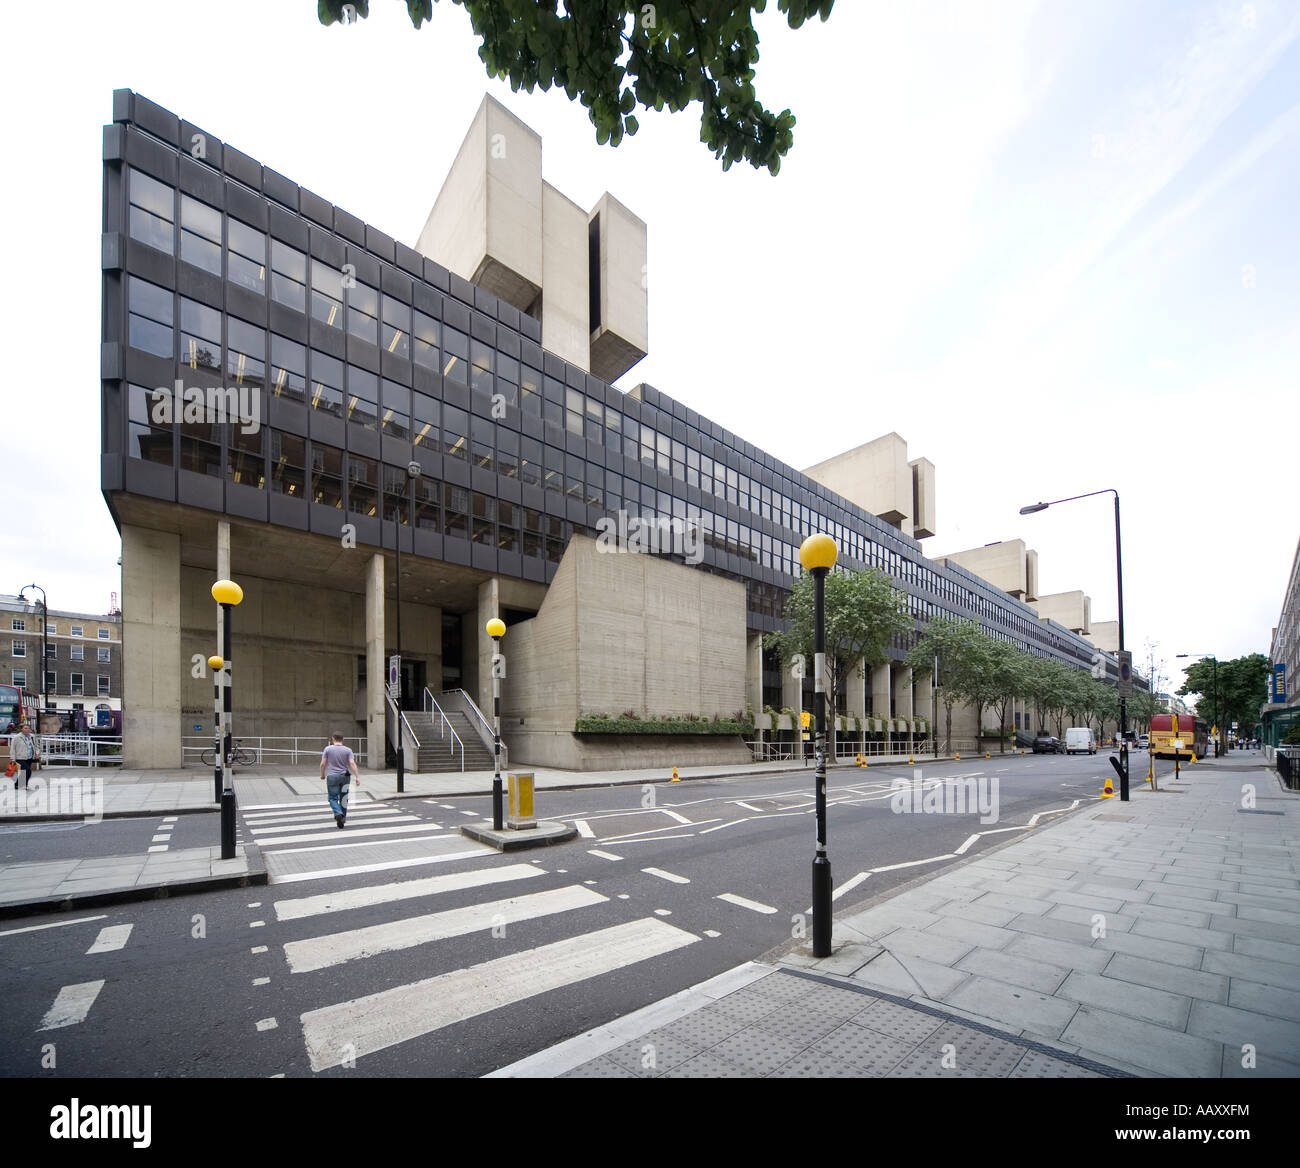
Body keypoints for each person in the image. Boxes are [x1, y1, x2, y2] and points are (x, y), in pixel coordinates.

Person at [319, 732, 360, 828]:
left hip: (332, 776)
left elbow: (323, 764)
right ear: (343, 739)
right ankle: (343, 817)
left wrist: (322, 775)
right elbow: (352, 763)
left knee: (333, 798)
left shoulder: (327, 749)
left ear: (333, 739)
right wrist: (357, 777)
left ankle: (338, 813)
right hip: (345, 776)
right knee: (344, 798)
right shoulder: (348, 750)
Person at [10, 722, 40, 789]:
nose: (27, 730)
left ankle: (19, 785)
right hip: (20, 757)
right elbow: (13, 748)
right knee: (28, 771)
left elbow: (36, 746)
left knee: (24, 772)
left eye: (28, 728)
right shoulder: (17, 737)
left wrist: (37, 753)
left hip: (29, 757)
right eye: (25, 728)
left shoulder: (32, 736)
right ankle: (21, 785)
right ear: (21, 729)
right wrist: (13, 758)